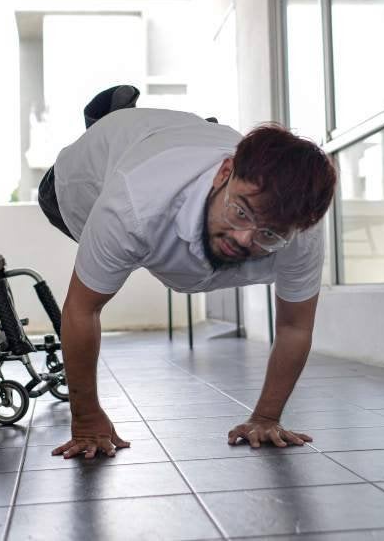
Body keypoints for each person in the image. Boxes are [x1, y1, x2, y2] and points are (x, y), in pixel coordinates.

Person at [37, 85, 337, 460]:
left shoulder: (299, 233)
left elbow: (295, 326)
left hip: (178, 144)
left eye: (268, 234)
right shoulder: (133, 203)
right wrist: (85, 420)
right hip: (81, 182)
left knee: (144, 226)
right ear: (224, 173)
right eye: (241, 212)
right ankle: (107, 119)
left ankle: (168, 128)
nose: (244, 240)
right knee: (85, 210)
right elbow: (82, 309)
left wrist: (266, 417)